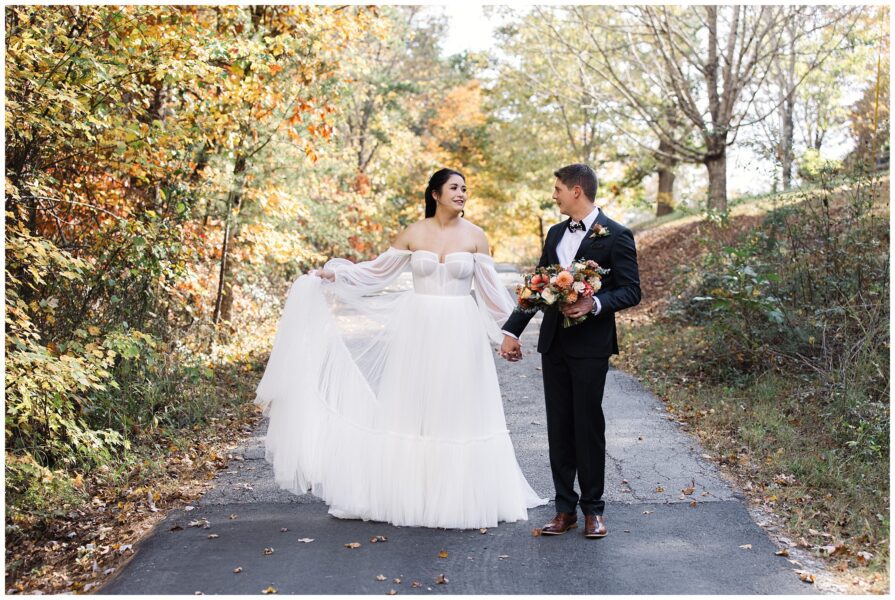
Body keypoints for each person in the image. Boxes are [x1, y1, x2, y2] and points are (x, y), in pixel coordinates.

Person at [254, 168, 547, 529]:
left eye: (465, 189)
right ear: (435, 194)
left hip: (460, 328)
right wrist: (334, 275)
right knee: (413, 405)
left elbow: (490, 292)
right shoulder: (413, 232)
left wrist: (510, 332)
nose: (462, 194)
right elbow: (377, 272)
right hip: (418, 327)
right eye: (454, 188)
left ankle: (457, 496)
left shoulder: (476, 237)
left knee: (457, 405)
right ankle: (408, 494)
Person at [500, 163, 641, 539]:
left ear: (576, 191)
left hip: (591, 346)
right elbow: (536, 287)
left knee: (587, 424)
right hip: (554, 344)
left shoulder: (616, 235)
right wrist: (512, 331)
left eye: (558, 188)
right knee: (559, 427)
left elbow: (631, 290)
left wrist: (593, 304)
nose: (554, 195)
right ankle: (564, 508)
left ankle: (593, 509)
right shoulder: (555, 233)